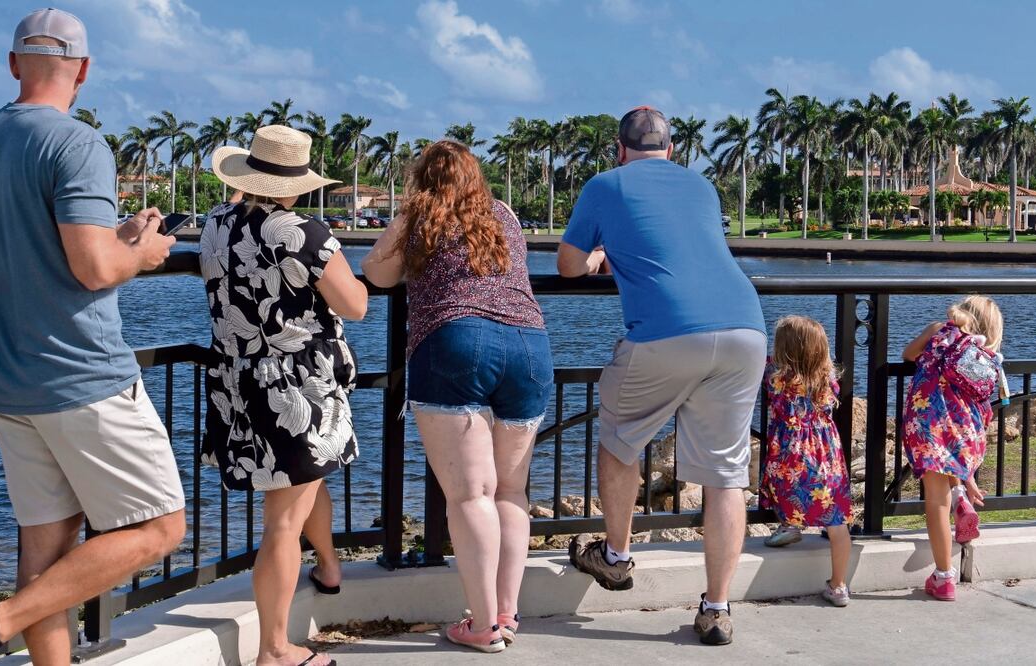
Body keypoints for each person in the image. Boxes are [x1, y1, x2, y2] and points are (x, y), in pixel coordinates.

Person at [0, 9, 186, 665]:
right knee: (159, 527)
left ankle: (2, 626)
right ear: (83, 70)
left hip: (8, 379)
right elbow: (91, 270)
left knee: (46, 557)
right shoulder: (77, 145)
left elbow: (37, 251)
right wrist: (142, 253)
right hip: (81, 377)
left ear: (11, 65)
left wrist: (119, 241)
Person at [557, 106, 766, 646]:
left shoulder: (606, 184)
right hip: (745, 327)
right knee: (725, 477)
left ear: (619, 149)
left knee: (620, 442)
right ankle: (717, 609)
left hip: (668, 331)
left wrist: (601, 255)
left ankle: (617, 557)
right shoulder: (701, 187)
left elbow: (566, 265)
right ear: (672, 151)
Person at [362, 140, 552, 654]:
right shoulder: (505, 214)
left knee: (471, 494)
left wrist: (404, 224)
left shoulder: (420, 213)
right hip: (530, 345)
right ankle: (508, 614)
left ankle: (484, 625)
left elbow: (377, 274)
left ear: (422, 178)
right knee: (511, 492)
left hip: (455, 340)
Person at [200, 124, 365, 666]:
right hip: (293, 384)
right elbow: (355, 303)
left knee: (304, 483)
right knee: (283, 520)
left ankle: (330, 566)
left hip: (235, 375)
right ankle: (274, 648)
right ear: (297, 182)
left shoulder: (215, 226)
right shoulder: (304, 233)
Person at [902, 296, 1004, 602]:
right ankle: (961, 494)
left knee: (936, 503)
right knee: (949, 479)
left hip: (930, 424)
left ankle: (944, 577)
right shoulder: (984, 354)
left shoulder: (939, 330)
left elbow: (908, 354)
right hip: (966, 431)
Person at [759, 317, 853, 607]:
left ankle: (790, 524)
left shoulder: (777, 377)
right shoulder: (827, 380)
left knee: (784, 485)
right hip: (827, 455)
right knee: (838, 524)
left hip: (793, 452)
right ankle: (838, 586)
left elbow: (762, 374)